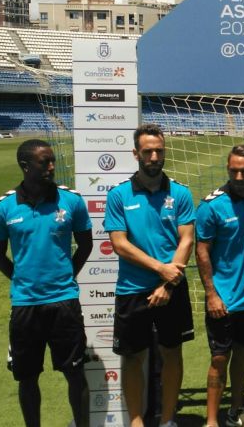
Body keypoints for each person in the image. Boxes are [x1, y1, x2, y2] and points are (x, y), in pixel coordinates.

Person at [0, 139, 93, 427]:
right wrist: (20, 279)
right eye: (44, 162)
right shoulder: (2, 207)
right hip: (25, 305)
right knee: (27, 377)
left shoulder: (71, 200)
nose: (52, 166)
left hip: (64, 303)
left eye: (52, 160)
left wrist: (67, 276)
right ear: (25, 166)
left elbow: (85, 245)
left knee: (75, 373)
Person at [105, 124, 196, 427]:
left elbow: (186, 240)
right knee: (133, 358)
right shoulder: (119, 195)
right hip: (132, 289)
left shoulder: (180, 193)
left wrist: (168, 284)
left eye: (159, 150)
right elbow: (120, 244)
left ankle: (168, 420)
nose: (154, 157)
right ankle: (136, 422)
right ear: (136, 154)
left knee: (172, 353)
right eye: (148, 152)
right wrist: (161, 269)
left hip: (172, 288)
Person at [196, 144, 244, 427]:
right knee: (219, 358)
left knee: (242, 354)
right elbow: (202, 251)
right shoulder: (211, 205)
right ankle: (212, 420)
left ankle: (236, 410)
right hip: (222, 298)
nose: (238, 176)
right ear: (227, 168)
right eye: (234, 170)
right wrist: (211, 294)